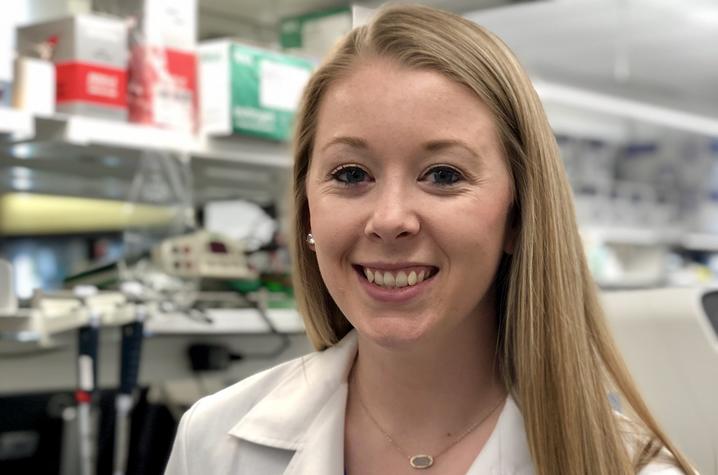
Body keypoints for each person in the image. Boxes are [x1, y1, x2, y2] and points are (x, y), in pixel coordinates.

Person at [165, 4, 695, 474]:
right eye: (351, 174)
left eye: (443, 175)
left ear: (517, 215)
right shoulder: (214, 441)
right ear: (307, 208)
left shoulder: (629, 468)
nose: (390, 219)